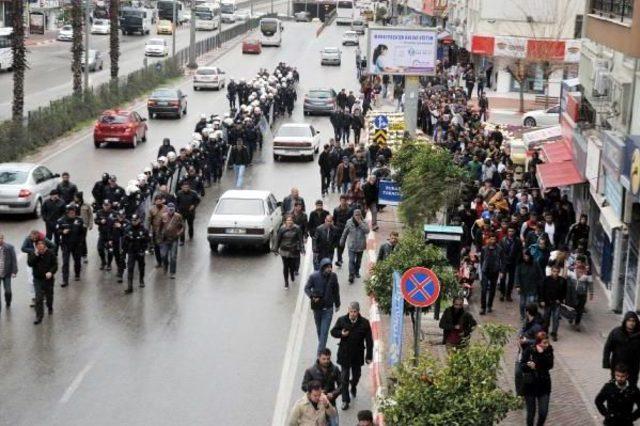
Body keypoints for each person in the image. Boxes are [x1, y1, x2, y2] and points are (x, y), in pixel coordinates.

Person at [330, 301, 373, 410]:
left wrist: (369, 356)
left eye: (355, 312)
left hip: (357, 355)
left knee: (356, 376)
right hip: (344, 355)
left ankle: (353, 386)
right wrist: (341, 334)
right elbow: (333, 332)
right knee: (344, 378)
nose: (353, 314)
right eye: (351, 311)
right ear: (348, 311)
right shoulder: (341, 320)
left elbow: (369, 341)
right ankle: (345, 400)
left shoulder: (364, 323)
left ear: (358, 312)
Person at [305, 258, 341, 355]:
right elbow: (306, 288)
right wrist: (312, 296)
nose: (329, 269)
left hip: (328, 309)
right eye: (327, 267)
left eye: (330, 267)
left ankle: (320, 354)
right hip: (317, 309)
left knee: (324, 332)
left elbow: (336, 291)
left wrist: (337, 304)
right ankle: (322, 346)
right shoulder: (314, 277)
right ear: (322, 268)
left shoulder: (333, 276)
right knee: (320, 331)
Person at [520, 331, 554, 426]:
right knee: (531, 413)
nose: (546, 345)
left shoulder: (549, 350)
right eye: (544, 343)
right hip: (530, 385)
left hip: (544, 385)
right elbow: (522, 365)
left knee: (543, 412)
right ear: (538, 342)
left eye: (547, 342)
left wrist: (538, 362)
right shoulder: (530, 350)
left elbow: (550, 365)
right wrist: (528, 365)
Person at [301, 348, 342, 426]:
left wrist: (333, 393)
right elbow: (304, 386)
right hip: (315, 404)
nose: (326, 361)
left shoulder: (335, 369)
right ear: (318, 357)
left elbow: (342, 385)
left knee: (334, 423)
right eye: (324, 359)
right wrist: (315, 391)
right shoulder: (310, 371)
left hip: (330, 402)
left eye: (328, 358)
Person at [603, 312, 640, 387]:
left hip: (633, 366)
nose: (631, 323)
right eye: (629, 320)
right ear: (625, 321)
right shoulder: (616, 332)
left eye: (633, 321)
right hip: (617, 364)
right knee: (616, 385)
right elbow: (607, 347)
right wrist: (606, 362)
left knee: (632, 386)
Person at [27, 239, 58, 325]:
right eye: (39, 249)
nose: (41, 251)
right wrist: (36, 255)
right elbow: (30, 263)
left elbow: (55, 265)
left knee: (49, 296)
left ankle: (50, 307)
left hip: (48, 279)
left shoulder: (50, 253)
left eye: (42, 249)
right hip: (38, 279)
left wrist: (51, 272)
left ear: (45, 247)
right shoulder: (34, 254)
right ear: (37, 248)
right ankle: (39, 316)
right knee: (39, 297)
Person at [56, 204, 85, 287]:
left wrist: (81, 242)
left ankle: (77, 274)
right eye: (71, 213)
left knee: (77, 260)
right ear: (67, 213)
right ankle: (65, 280)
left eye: (74, 212)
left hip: (76, 244)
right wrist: (62, 232)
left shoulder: (79, 220)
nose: (73, 214)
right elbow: (57, 230)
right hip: (66, 244)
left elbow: (83, 232)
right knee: (65, 262)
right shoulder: (61, 220)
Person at [340, 209, 370, 284]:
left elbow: (367, 231)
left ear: (361, 215)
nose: (357, 216)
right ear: (353, 215)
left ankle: (357, 271)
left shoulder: (364, 222)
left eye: (359, 215)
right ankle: (351, 275)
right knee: (351, 260)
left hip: (361, 245)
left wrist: (360, 223)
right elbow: (345, 233)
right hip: (351, 245)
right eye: (356, 215)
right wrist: (342, 241)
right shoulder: (349, 222)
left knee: (358, 261)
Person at [275, 215, 305, 289]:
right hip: (284, 250)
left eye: (291, 221)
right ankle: (286, 282)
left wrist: (302, 249)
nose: (289, 222)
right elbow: (278, 239)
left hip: (293, 250)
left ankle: (292, 273)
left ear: (293, 221)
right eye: (288, 221)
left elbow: (300, 240)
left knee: (292, 266)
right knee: (285, 266)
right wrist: (275, 249)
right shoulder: (282, 229)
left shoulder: (297, 229)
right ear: (285, 222)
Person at [539, 264, 567, 341]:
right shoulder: (546, 280)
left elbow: (564, 292)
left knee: (556, 319)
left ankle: (554, 333)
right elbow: (542, 291)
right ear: (551, 271)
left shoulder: (562, 281)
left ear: (559, 272)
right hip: (547, 302)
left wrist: (561, 300)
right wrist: (542, 300)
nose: (555, 273)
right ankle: (545, 332)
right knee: (546, 319)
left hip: (556, 303)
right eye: (554, 271)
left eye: (557, 272)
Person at [123, 214, 149, 294]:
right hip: (131, 252)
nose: (134, 222)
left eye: (135, 220)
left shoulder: (143, 230)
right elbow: (125, 241)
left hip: (140, 251)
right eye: (132, 220)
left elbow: (147, 241)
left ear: (139, 220)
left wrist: (144, 250)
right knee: (130, 268)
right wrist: (124, 251)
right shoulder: (128, 229)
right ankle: (130, 287)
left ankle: (141, 280)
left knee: (141, 266)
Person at [515, 250, 543, 323]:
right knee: (522, 304)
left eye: (527, 256)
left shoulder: (535, 263)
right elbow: (517, 275)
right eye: (524, 256)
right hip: (523, 288)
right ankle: (522, 315)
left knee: (530, 304)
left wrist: (539, 285)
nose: (525, 257)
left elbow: (540, 275)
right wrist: (517, 285)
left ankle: (529, 317)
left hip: (532, 288)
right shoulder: (520, 264)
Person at [567, 255, 593, 331]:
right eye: (576, 262)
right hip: (573, 294)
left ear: (583, 263)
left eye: (579, 262)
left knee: (580, 309)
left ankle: (577, 324)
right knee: (572, 307)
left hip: (582, 294)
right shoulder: (571, 269)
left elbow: (590, 283)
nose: (577, 263)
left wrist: (591, 293)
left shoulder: (588, 272)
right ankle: (571, 317)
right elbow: (567, 278)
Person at [158, 203, 184, 279]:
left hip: (174, 240)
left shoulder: (178, 216)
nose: (171, 210)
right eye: (169, 208)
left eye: (172, 208)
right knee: (163, 255)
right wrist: (159, 237)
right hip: (165, 240)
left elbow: (182, 227)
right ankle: (165, 265)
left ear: (174, 209)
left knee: (173, 256)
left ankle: (172, 272)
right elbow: (160, 227)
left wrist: (178, 234)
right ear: (167, 209)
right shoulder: (163, 216)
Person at [480, 233, 502, 315]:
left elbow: (502, 260)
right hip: (485, 271)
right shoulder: (484, 248)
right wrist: (482, 268)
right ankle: (483, 307)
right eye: (491, 239)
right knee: (484, 290)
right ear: (488, 239)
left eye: (494, 239)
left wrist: (501, 271)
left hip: (495, 271)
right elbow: (482, 260)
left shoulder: (499, 249)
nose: (492, 241)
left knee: (492, 290)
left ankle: (489, 305)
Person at [332, 195, 352, 268]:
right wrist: (333, 228)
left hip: (345, 229)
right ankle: (339, 259)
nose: (343, 202)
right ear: (340, 200)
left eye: (344, 200)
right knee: (338, 244)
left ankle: (340, 258)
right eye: (342, 200)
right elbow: (334, 220)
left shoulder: (350, 210)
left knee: (342, 245)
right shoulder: (336, 209)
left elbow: (351, 220)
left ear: (346, 201)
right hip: (337, 230)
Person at [73, 192, 93, 264]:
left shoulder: (86, 205)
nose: (74, 198)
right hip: (75, 225)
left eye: (76, 197)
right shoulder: (72, 204)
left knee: (82, 240)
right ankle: (77, 254)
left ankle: (84, 255)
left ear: (79, 198)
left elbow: (90, 215)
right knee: (75, 240)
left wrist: (90, 224)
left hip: (84, 225)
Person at [0, 234, 18, 311]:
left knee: (8, 291)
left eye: (1, 238)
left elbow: (14, 260)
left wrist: (14, 271)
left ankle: (8, 301)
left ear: (3, 238)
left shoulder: (9, 247)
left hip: (6, 273)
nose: (0, 240)